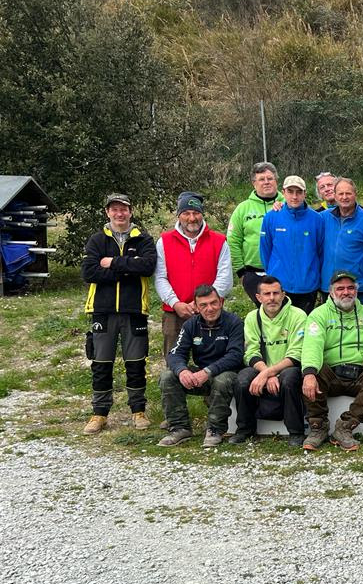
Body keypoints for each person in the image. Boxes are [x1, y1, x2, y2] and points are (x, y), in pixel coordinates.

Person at [81, 193, 157, 434]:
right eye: (114, 209)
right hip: (102, 311)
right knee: (101, 363)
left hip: (134, 309)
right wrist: (126, 267)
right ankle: (99, 414)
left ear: (130, 211)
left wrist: (111, 262)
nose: (119, 213)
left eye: (123, 208)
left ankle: (138, 411)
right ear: (107, 213)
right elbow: (89, 272)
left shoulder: (143, 239)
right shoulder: (96, 240)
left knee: (135, 363)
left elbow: (146, 266)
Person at [301, 271, 363, 451]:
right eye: (340, 288)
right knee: (309, 373)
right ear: (331, 292)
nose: (346, 292)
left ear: (357, 291)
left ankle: (345, 427)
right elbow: (312, 345)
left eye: (350, 288)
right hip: (331, 374)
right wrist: (309, 373)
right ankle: (318, 427)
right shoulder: (319, 315)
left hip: (360, 374)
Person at [159, 285, 244, 448]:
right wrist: (182, 371)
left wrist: (208, 371)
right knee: (167, 376)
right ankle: (179, 428)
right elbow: (175, 353)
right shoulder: (191, 325)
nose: (209, 308)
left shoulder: (234, 322)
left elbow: (236, 355)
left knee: (223, 379)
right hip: (202, 376)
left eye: (213, 303)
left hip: (230, 374)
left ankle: (215, 429)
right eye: (203, 305)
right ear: (196, 307)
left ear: (221, 302)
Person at [229, 275, 308, 447]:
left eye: (275, 293)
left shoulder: (298, 315)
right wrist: (266, 373)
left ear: (283, 294)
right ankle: (245, 429)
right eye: (266, 294)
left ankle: (296, 432)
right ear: (258, 297)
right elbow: (250, 352)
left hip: (288, 366)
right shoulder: (252, 318)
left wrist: (267, 373)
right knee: (242, 380)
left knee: (288, 379)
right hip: (262, 366)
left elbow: (297, 354)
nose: (271, 298)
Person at [155, 192, 233, 357]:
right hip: (174, 311)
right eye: (186, 213)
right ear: (179, 215)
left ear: (202, 214)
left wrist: (202, 304)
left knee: (213, 360)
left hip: (210, 310)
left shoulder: (219, 241)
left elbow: (225, 278)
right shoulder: (164, 241)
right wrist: (175, 303)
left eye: (196, 213)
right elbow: (160, 277)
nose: (192, 218)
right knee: (174, 360)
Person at [258, 175, 324, 314]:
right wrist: (273, 274)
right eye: (290, 191)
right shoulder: (272, 217)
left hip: (307, 286)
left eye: (299, 192)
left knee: (301, 330)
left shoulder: (317, 219)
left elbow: (320, 251)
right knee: (280, 328)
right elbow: (265, 250)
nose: (294, 196)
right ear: (283, 192)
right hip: (279, 287)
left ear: (305, 193)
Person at [320, 177, 363, 308]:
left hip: (360, 287)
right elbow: (302, 214)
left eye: (348, 193)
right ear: (335, 195)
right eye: (341, 193)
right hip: (330, 286)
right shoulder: (323, 218)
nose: (344, 197)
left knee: (362, 326)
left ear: (355, 194)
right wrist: (281, 205)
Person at [227, 162, 284, 304]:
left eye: (270, 179)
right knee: (264, 313)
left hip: (284, 271)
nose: (266, 182)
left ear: (276, 181)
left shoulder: (288, 204)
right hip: (253, 273)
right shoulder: (243, 208)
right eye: (261, 179)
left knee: (284, 312)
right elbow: (233, 240)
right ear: (254, 183)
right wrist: (241, 272)